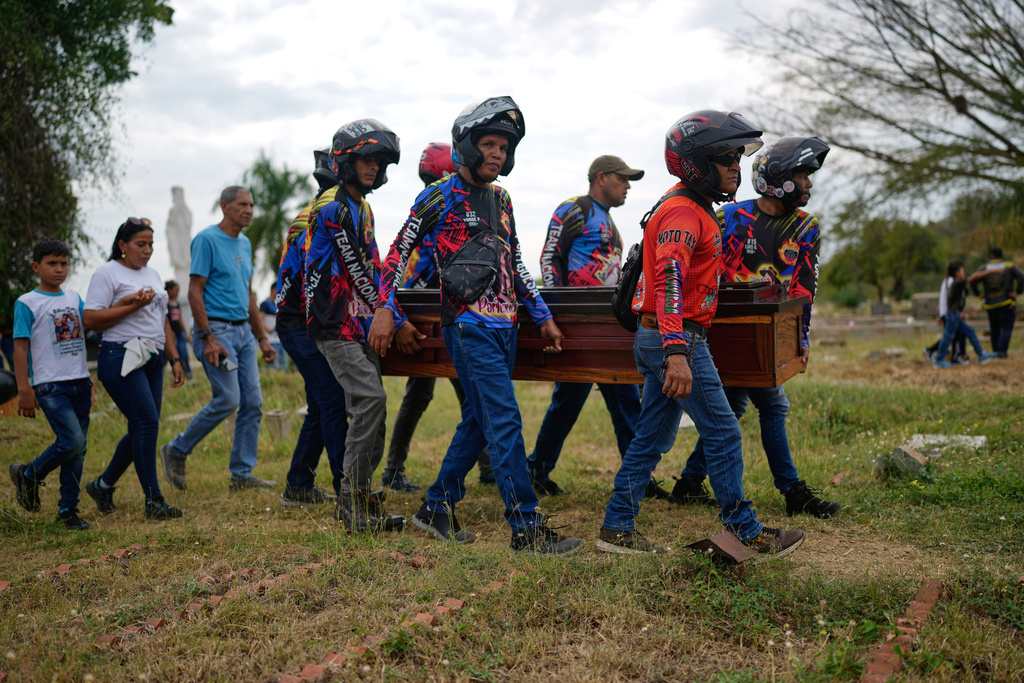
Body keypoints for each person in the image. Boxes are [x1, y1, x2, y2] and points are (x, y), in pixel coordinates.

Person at [371, 96, 584, 556]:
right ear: (467, 145)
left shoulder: (502, 198)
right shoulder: (439, 196)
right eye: (488, 144)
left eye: (504, 148)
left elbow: (518, 262)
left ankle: (435, 507)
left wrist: (542, 317)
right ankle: (525, 527)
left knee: (478, 419)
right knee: (505, 419)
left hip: (507, 326)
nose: (497, 154)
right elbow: (394, 256)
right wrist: (387, 308)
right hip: (468, 326)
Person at [596, 110, 805, 556]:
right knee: (724, 432)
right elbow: (670, 278)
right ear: (696, 162)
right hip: (677, 339)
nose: (736, 166)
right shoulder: (683, 212)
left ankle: (616, 527)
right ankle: (744, 530)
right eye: (725, 157)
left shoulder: (692, 209)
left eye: (737, 156)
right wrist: (677, 351)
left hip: (665, 336)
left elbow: (690, 277)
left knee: (650, 437)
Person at [670, 136, 842, 519]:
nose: (809, 184)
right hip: (723, 331)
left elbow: (804, 288)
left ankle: (689, 481)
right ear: (778, 177)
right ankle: (792, 490)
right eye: (803, 176)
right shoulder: (729, 217)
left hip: (769, 333)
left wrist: (801, 337)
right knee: (772, 405)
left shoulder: (806, 227)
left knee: (732, 404)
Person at [528, 155, 665, 498]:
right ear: (601, 178)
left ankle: (638, 479)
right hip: (578, 323)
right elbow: (550, 258)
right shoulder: (574, 209)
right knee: (570, 401)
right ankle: (537, 470)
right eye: (623, 179)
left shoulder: (610, 221)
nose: (628, 186)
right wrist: (556, 315)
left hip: (608, 324)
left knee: (624, 398)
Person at [306, 118, 417, 532]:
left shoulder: (363, 207)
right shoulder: (332, 206)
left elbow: (376, 268)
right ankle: (349, 503)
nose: (373, 167)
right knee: (369, 401)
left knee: (376, 410)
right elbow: (356, 271)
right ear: (345, 161)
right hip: (335, 324)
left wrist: (396, 315)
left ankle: (365, 501)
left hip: (361, 321)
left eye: (379, 160)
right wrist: (396, 320)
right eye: (366, 159)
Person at [381, 142, 494, 492]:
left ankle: (487, 467)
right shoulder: (441, 203)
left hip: (433, 309)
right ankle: (395, 469)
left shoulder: (438, 202)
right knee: (454, 394)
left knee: (450, 394)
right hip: (433, 312)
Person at [159, 186, 278, 491]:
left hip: (243, 333)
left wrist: (262, 338)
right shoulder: (207, 239)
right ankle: (176, 449)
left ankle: (241, 474)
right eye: (242, 204)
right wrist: (207, 337)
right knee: (229, 398)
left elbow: (249, 294)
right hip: (217, 332)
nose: (249, 210)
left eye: (251, 204)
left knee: (253, 403)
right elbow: (194, 292)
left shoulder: (246, 244)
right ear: (225, 207)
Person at [83, 218, 186, 520]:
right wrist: (132, 305)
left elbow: (163, 320)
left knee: (143, 426)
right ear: (122, 245)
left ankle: (102, 485)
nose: (148, 250)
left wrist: (175, 358)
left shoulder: (152, 274)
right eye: (141, 244)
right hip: (120, 355)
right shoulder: (106, 273)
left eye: (151, 244)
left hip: (152, 357)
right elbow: (90, 319)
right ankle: (154, 501)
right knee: (147, 422)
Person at [275, 148, 346, 507]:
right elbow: (320, 276)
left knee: (322, 403)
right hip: (300, 323)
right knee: (333, 398)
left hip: (298, 321)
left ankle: (299, 483)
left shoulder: (311, 210)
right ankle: (346, 487)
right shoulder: (323, 213)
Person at [8, 238, 92, 530]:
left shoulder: (74, 297)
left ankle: (68, 509)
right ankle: (29, 475)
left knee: (77, 450)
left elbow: (88, 331)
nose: (59, 269)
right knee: (72, 441)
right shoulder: (26, 303)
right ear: (36, 266)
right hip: (49, 385)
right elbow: (20, 349)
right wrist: (24, 390)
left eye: (64, 263)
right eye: (52, 264)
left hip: (80, 381)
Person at [935, 260, 998, 368]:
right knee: (948, 337)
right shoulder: (956, 283)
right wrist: (991, 271)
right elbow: (974, 277)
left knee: (970, 332)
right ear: (956, 273)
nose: (964, 272)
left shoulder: (955, 284)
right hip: (953, 316)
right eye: (962, 270)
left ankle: (981, 355)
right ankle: (939, 359)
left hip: (956, 315)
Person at [970, 247, 1024, 358]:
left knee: (994, 328)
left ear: (991, 257)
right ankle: (1001, 351)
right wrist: (1017, 292)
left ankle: (995, 351)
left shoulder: (984, 268)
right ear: (1002, 257)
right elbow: (1021, 277)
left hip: (990, 304)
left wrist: (979, 294)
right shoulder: (1009, 266)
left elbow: (972, 280)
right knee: (1006, 328)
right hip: (1006, 302)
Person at [924, 271, 968, 365]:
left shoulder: (947, 281)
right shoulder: (951, 281)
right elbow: (950, 299)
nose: (963, 272)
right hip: (950, 313)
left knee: (953, 335)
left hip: (947, 312)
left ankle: (956, 356)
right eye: (961, 270)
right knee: (951, 336)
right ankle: (935, 353)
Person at [165, 280, 194, 381]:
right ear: (169, 290)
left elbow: (180, 319)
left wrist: (185, 332)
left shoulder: (177, 303)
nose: (178, 292)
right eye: (176, 290)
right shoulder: (165, 304)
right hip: (170, 335)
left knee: (184, 355)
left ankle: (189, 377)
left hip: (179, 333)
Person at [259, 283, 288, 370]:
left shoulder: (276, 305)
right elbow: (260, 319)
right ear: (274, 289)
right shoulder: (265, 304)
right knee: (273, 366)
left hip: (279, 339)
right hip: (270, 340)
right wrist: (267, 330)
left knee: (283, 366)